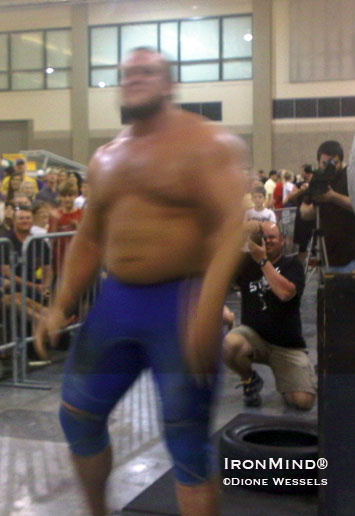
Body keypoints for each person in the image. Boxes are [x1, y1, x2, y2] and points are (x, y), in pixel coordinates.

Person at [35, 47, 246, 516]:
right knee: (78, 418)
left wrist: (207, 308)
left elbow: (232, 227)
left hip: (180, 303)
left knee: (187, 442)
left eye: (146, 73)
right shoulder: (106, 157)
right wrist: (58, 304)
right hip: (118, 302)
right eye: (126, 74)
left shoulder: (207, 144)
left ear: (169, 84)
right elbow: (89, 239)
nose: (134, 80)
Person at [223, 221, 316, 410]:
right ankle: (249, 379)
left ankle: (290, 380)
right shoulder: (245, 263)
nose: (267, 240)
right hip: (253, 338)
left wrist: (263, 261)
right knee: (229, 345)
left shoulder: (292, 265)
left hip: (286, 345)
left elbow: (285, 293)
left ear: (282, 241)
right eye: (263, 236)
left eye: (272, 236)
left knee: (302, 402)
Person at [300, 140, 355, 272]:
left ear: (341, 161)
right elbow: (304, 212)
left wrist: (333, 197)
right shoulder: (318, 180)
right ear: (318, 162)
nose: (328, 167)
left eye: (333, 163)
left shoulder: (352, 176)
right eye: (324, 163)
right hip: (328, 258)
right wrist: (317, 204)